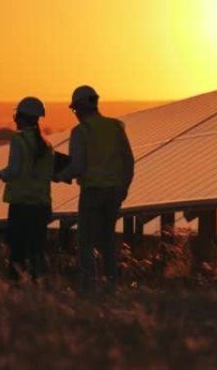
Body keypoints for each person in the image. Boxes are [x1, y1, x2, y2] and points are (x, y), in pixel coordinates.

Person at [53, 85, 134, 292]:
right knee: (107, 240)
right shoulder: (116, 127)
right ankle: (111, 286)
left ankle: (88, 288)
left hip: (92, 191)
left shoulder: (81, 132)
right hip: (115, 191)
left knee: (86, 240)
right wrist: (124, 187)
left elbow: (78, 166)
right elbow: (128, 160)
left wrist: (59, 176)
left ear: (79, 107)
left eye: (75, 109)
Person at [0, 97, 54, 280]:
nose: (15, 119)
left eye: (16, 115)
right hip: (41, 205)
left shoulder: (19, 141)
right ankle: (38, 288)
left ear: (23, 117)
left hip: (21, 206)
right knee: (37, 252)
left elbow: (13, 171)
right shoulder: (47, 146)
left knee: (17, 252)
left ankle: (16, 287)